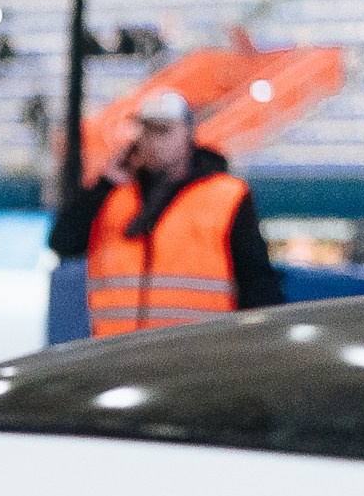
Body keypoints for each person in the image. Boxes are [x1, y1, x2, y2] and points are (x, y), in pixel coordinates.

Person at [48, 89, 283, 336]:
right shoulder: (112, 195)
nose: (154, 141)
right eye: (147, 130)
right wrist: (104, 184)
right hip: (117, 359)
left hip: (194, 360)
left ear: (188, 134)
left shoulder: (227, 195)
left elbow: (258, 286)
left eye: (164, 130)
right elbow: (63, 242)